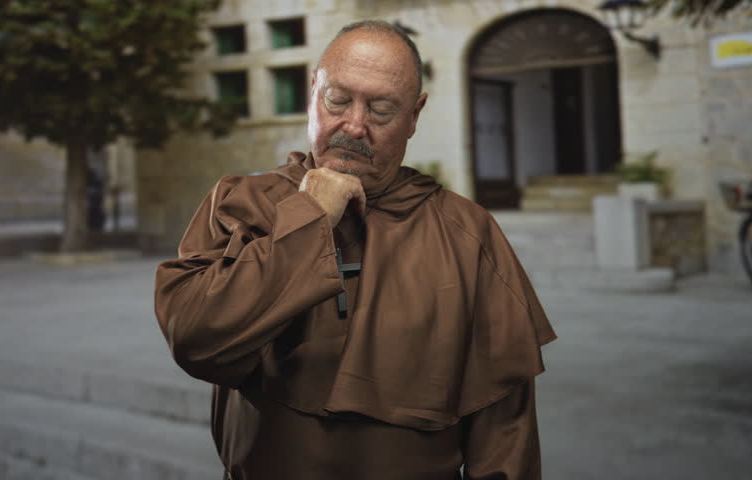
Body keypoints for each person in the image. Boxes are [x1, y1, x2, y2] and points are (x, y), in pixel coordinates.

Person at [154, 20, 556, 480]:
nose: (355, 126)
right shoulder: (242, 204)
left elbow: (505, 437)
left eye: (381, 109)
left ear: (415, 115)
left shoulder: (468, 233)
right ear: (313, 92)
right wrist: (310, 216)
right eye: (338, 100)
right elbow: (196, 340)